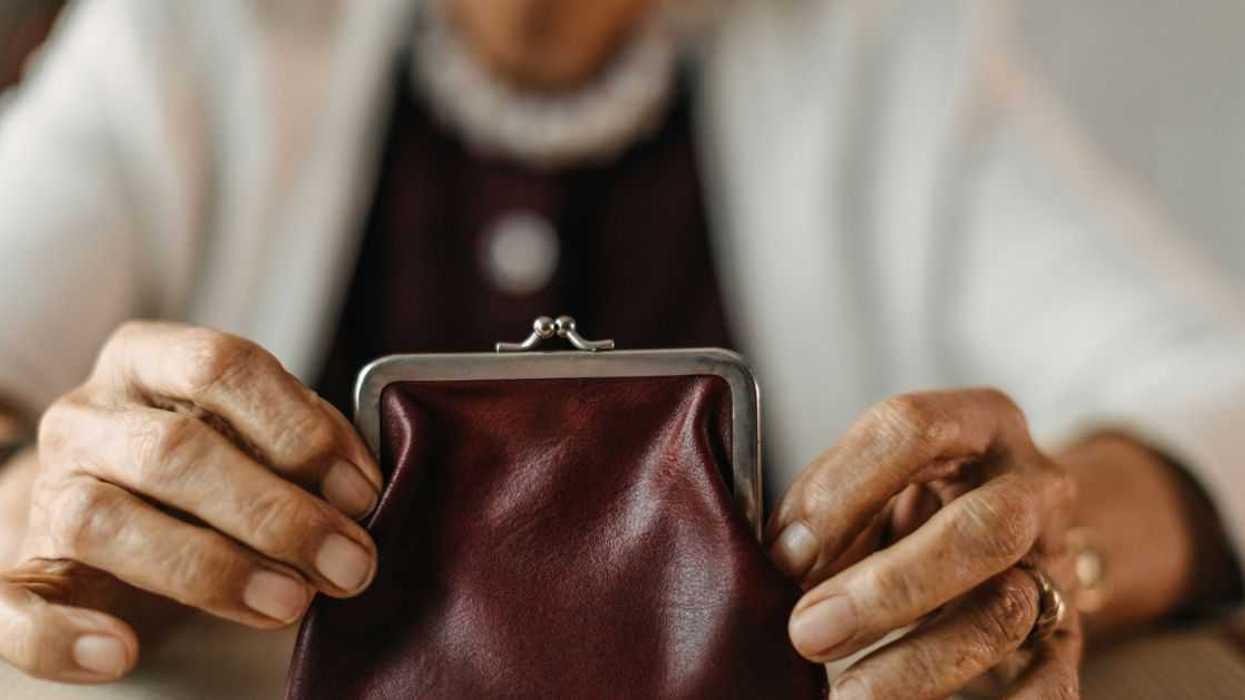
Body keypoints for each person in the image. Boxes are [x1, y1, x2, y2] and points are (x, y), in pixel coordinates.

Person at [0, 0, 1242, 697]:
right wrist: (35, 501)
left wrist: (1046, 543)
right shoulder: (183, 36)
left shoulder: (894, 56)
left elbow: (1218, 393)